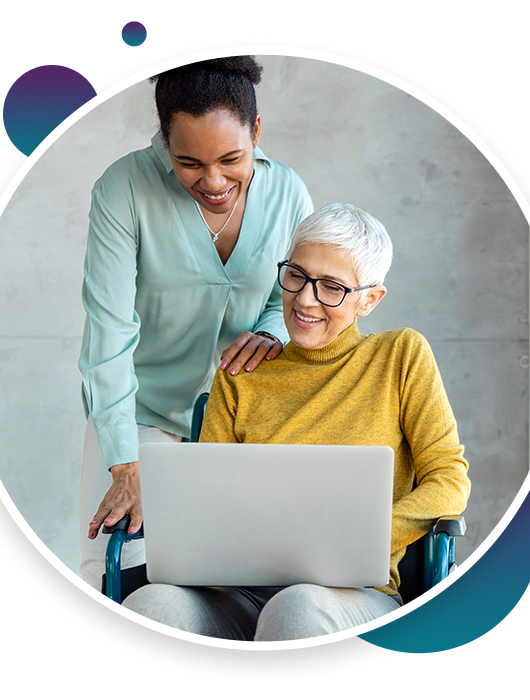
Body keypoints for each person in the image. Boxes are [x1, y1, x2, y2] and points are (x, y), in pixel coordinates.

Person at [121, 203, 471, 641]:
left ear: (369, 299)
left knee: (299, 605)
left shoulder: (400, 356)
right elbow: (210, 500)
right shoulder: (242, 377)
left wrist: (352, 538)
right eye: (297, 275)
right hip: (241, 591)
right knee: (150, 604)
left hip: (350, 592)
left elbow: (449, 480)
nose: (305, 299)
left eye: (331, 287)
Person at [78, 57, 313, 590]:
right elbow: (109, 331)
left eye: (232, 159)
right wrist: (126, 464)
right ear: (164, 140)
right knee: (115, 573)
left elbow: (292, 296)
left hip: (237, 418)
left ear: (256, 131)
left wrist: (272, 333)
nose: (213, 181)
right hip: (138, 411)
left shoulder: (289, 194)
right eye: (189, 163)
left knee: (229, 574)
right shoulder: (124, 188)